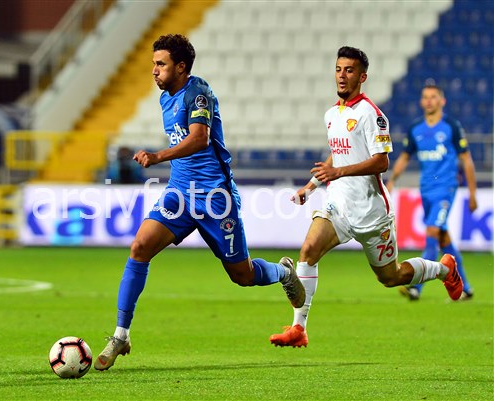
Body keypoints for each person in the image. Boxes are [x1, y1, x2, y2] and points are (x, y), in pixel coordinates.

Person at [94, 34, 305, 370]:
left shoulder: (198, 93)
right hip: (179, 193)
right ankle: (121, 335)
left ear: (181, 67)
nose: (154, 70)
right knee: (140, 247)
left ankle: (283, 272)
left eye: (161, 64)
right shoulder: (166, 97)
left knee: (242, 275)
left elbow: (199, 139)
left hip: (215, 198)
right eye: (153, 64)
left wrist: (158, 156)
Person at [269, 46, 464, 348]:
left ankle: (444, 269)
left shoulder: (372, 115)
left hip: (371, 213)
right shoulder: (332, 114)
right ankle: (299, 328)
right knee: (308, 251)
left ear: (362, 77)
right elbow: (337, 154)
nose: (342, 75)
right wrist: (311, 186)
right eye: (338, 69)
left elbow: (381, 162)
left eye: (349, 70)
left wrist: (338, 172)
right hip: (338, 206)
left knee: (390, 277)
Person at [386, 84, 477, 301]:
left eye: (433, 97)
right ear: (421, 101)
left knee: (432, 233)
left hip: (446, 189)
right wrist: (392, 181)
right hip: (426, 190)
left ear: (442, 101)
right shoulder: (415, 128)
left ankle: (416, 287)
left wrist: (472, 193)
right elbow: (405, 156)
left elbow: (466, 159)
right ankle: (465, 288)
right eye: (425, 97)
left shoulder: (451, 127)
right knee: (444, 239)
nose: (429, 100)